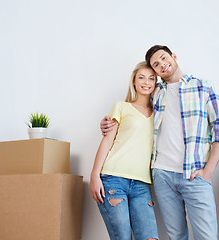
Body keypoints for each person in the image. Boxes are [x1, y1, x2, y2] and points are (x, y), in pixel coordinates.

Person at [101, 45, 219, 240]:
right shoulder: (156, 92)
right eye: (156, 64)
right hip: (162, 176)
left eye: (163, 58)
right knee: (176, 236)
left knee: (207, 236)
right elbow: (135, 114)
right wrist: (107, 124)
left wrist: (208, 171)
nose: (162, 64)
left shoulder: (204, 86)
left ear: (174, 56)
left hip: (195, 174)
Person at [90, 61, 159, 240]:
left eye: (151, 78)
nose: (146, 82)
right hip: (113, 180)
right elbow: (107, 141)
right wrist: (94, 175)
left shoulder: (159, 113)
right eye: (141, 77)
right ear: (134, 82)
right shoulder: (121, 107)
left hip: (142, 184)